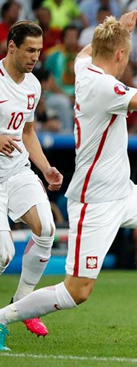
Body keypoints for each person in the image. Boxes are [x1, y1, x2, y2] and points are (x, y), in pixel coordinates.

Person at [0, 11, 137, 352]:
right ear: (120, 55)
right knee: (77, 292)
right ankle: (3, 317)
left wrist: (120, 28)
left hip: (124, 192)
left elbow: (84, 53)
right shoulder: (102, 85)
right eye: (127, 51)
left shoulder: (84, 67)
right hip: (95, 203)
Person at [0, 20, 63, 339]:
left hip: (18, 171)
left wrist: (46, 167)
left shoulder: (33, 86)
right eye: (29, 50)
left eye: (39, 50)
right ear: (11, 46)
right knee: (2, 253)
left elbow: (27, 132)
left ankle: (21, 304)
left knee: (47, 230)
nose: (35, 56)